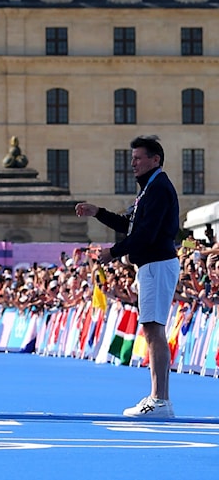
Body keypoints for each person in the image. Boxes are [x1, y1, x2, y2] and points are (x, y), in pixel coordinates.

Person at [75, 135, 180, 419]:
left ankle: (160, 400)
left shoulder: (158, 188)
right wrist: (98, 213)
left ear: (155, 159)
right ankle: (159, 398)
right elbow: (130, 224)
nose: (132, 163)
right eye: (132, 158)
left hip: (157, 264)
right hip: (152, 265)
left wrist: (113, 252)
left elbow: (144, 235)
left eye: (138, 158)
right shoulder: (150, 189)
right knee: (151, 330)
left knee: (154, 331)